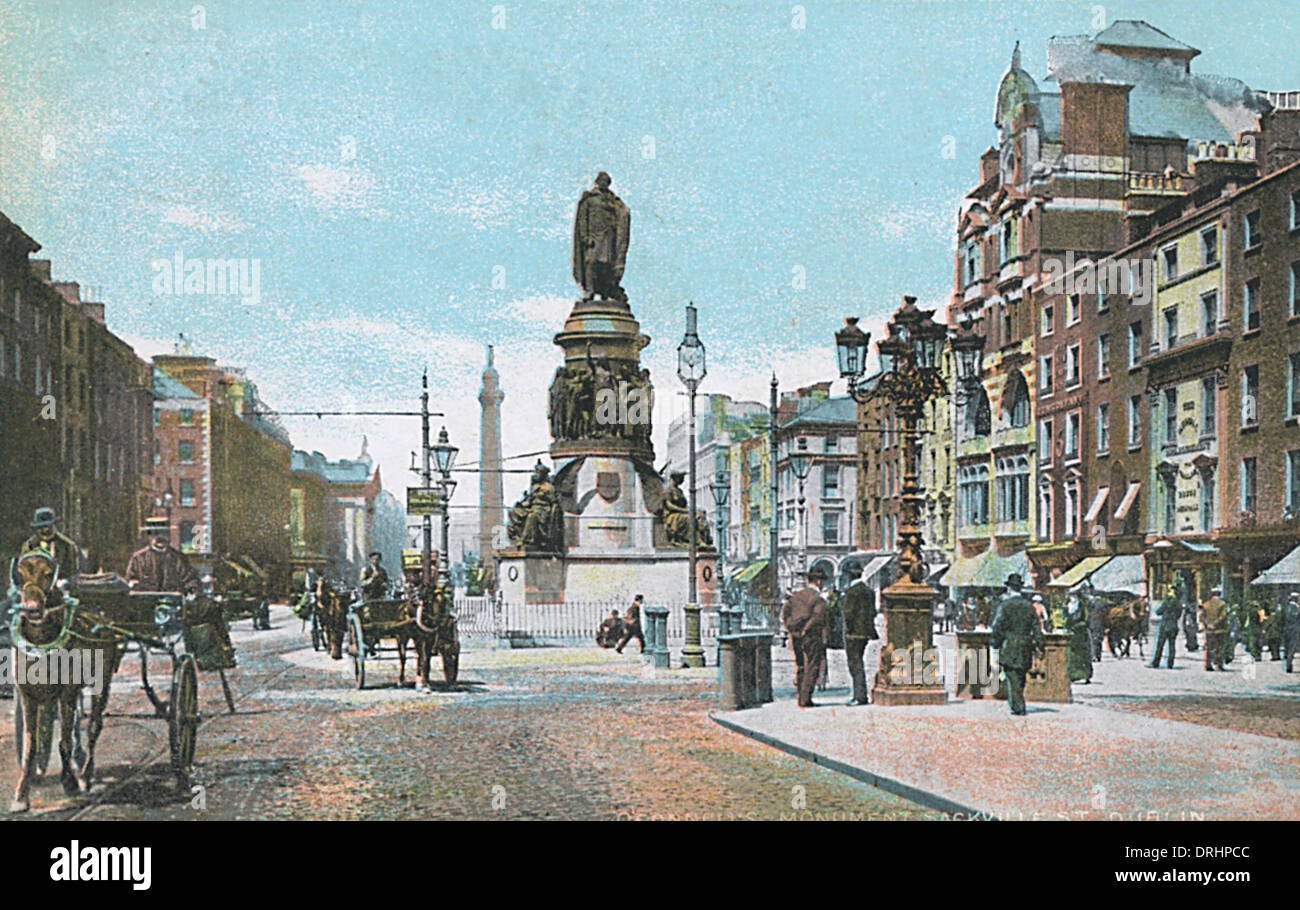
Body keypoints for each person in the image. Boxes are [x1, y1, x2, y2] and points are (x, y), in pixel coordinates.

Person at [990, 573, 1042, 717]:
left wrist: (995, 643)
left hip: (1009, 646)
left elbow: (997, 626)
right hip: (1025, 646)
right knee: (1020, 676)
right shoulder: (1029, 607)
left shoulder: (1005, 606)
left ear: (1008, 589)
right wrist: (1039, 644)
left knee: (1011, 676)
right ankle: (1018, 702)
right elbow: (1036, 628)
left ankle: (1018, 706)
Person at [782, 566, 829, 708]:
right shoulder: (818, 600)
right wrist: (805, 630)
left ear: (807, 580)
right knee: (812, 665)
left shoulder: (795, 597)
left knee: (801, 665)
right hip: (812, 636)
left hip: (795, 636)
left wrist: (792, 629)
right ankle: (805, 698)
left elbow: (786, 615)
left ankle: (799, 695)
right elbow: (817, 618)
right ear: (819, 582)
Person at [125, 518, 200, 594]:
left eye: (164, 533)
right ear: (149, 536)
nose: (160, 537)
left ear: (169, 535)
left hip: (173, 602)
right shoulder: (138, 558)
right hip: (146, 601)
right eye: (155, 533)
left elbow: (191, 580)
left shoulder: (179, 558)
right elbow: (130, 581)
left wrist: (191, 591)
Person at [841, 568, 879, 705]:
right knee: (859, 662)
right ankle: (860, 695)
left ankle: (859, 696)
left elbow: (848, 614)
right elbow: (873, 612)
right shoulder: (869, 591)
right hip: (866, 633)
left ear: (849, 576)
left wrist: (848, 630)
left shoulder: (851, 592)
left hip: (853, 634)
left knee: (855, 664)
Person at [19, 508, 83, 580]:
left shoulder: (67, 545)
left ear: (54, 526)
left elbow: (72, 572)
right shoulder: (29, 545)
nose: (45, 530)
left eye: (48, 526)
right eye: (41, 527)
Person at [1149, 587, 1182, 670]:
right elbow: (1179, 615)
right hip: (1173, 626)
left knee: (1160, 645)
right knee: (1172, 646)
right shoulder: (1178, 604)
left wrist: (1163, 603)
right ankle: (1170, 663)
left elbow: (1157, 612)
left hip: (1164, 626)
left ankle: (1156, 663)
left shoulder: (1166, 602)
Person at [1063, 592, 1092, 683]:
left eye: (1074, 596)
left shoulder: (1082, 607)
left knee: (1083, 655)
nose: (1072, 598)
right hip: (1071, 634)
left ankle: (1085, 675)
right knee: (1072, 655)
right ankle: (1073, 675)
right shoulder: (1066, 606)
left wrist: (1077, 626)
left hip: (1081, 634)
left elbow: (1086, 620)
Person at [1199, 586, 1228, 671]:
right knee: (1218, 647)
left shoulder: (1206, 604)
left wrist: (1208, 624)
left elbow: (1201, 616)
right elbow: (1223, 616)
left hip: (1208, 630)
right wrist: (1215, 623)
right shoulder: (1222, 604)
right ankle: (1218, 664)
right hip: (1220, 630)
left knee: (1208, 647)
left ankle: (1208, 665)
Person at [1281, 593, 1300, 674]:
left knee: (1289, 648)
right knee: (1292, 647)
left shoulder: (1286, 607)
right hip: (1295, 629)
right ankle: (1289, 665)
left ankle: (1289, 665)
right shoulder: (1295, 607)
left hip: (1287, 629)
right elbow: (1295, 617)